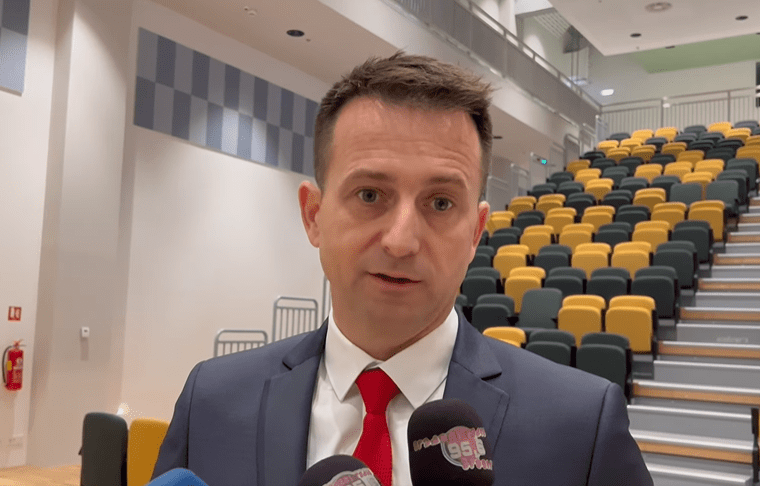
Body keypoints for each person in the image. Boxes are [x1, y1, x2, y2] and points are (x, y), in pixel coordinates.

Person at [153, 52, 653, 486]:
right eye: (370, 195)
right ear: (313, 216)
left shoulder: (581, 426)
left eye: (440, 203)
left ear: (476, 232)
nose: (401, 240)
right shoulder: (211, 401)